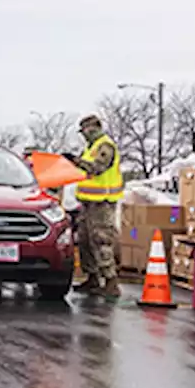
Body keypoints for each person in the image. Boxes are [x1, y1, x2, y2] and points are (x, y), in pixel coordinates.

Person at [70, 114, 123, 300]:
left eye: (85, 130)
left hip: (102, 202)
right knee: (84, 241)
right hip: (87, 203)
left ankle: (110, 281)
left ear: (94, 128)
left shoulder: (105, 146)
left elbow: (97, 168)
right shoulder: (90, 148)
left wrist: (77, 162)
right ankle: (91, 277)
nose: (84, 135)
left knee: (101, 240)